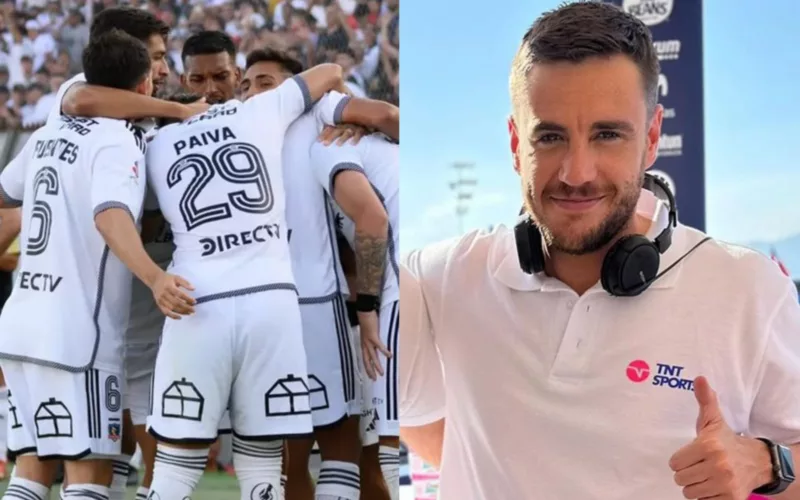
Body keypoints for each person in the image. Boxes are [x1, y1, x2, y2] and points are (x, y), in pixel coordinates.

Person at [399, 2, 800, 500]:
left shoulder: (751, 289)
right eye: (550, 136)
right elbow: (415, 422)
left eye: (607, 134)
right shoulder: (437, 278)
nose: (577, 172)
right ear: (514, 143)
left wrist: (762, 461)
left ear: (652, 137)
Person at [142, 35, 347, 499]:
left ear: (237, 76)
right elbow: (332, 70)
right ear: (184, 78)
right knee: (260, 468)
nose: (210, 87)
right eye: (199, 79)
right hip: (266, 305)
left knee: (177, 468)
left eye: (218, 76)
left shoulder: (156, 140)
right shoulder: (265, 109)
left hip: (199, 303)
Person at [0, 29, 193, 500]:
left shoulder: (49, 131)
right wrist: (155, 276)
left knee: (30, 471)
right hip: (78, 334)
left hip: (21, 325)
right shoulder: (119, 139)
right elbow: (110, 216)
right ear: (145, 83)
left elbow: (6, 205)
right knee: (90, 473)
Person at [44, 8, 207, 498]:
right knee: (103, 448)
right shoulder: (86, 100)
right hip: (98, 305)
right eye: (156, 58)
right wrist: (179, 112)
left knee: (139, 438)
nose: (163, 69)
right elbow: (79, 97)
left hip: (141, 306)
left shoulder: (140, 116)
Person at [240, 46, 399, 500]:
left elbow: (388, 114)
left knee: (360, 453)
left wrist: (353, 113)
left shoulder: (318, 116)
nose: (253, 93)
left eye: (266, 83)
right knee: (302, 457)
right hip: (287, 306)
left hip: (337, 306)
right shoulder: (239, 128)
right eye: (246, 85)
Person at [310, 132, 400, 500]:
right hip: (424, 288)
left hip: (398, 297)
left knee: (395, 457)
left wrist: (366, 310)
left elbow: (372, 219)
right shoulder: (383, 146)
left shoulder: (328, 145)